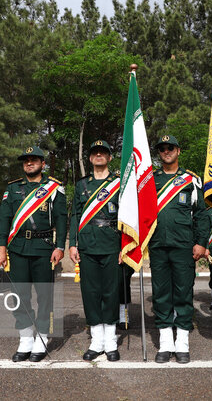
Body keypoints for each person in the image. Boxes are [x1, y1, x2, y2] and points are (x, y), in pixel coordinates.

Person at [0, 146, 67, 362]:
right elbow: (4, 219)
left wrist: (60, 246)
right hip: (17, 249)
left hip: (44, 248)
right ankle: (25, 338)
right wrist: (1, 247)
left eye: (34, 160)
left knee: (44, 296)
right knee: (19, 296)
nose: (29, 163)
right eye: (26, 160)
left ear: (43, 164)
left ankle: (41, 338)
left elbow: (62, 220)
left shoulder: (54, 188)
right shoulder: (13, 188)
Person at [149, 135, 209, 364]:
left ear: (178, 150)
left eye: (170, 147)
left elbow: (201, 214)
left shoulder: (191, 180)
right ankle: (165, 342)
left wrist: (201, 242)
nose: (166, 151)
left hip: (184, 246)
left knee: (183, 292)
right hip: (157, 245)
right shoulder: (150, 181)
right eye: (162, 148)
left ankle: (182, 341)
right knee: (161, 293)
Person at [69, 140, 121, 362]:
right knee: (90, 293)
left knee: (110, 293)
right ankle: (96, 341)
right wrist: (72, 243)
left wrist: (126, 245)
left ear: (110, 157)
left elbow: (127, 216)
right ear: (90, 158)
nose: (99, 155)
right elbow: (75, 215)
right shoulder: (81, 185)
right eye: (95, 153)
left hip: (112, 243)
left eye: (104, 152)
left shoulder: (119, 183)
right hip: (88, 243)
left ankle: (110, 341)